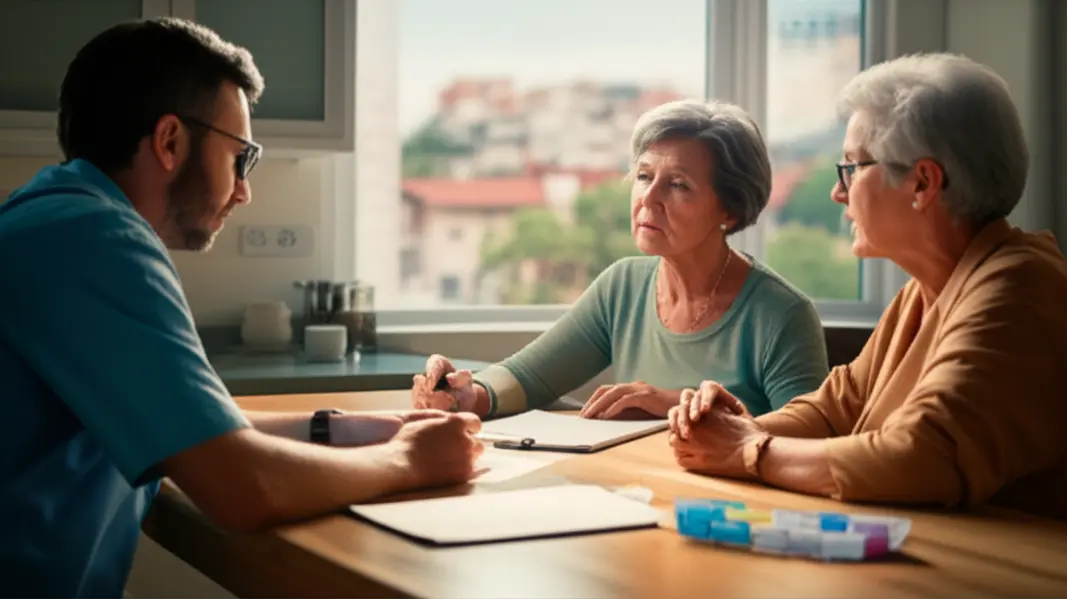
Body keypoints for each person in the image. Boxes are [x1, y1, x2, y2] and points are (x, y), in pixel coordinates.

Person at [0, 18, 481, 597]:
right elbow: (240, 487)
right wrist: (410, 462)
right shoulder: (97, 239)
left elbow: (198, 433)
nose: (244, 189)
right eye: (241, 158)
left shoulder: (51, 219)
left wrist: (353, 430)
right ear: (171, 141)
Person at [668, 53, 1067, 521]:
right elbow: (835, 410)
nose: (840, 192)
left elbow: (921, 457)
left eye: (854, 167)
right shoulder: (928, 289)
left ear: (922, 183)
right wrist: (728, 430)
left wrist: (749, 450)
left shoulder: (1020, 290)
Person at [412, 99, 829, 421]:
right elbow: (530, 377)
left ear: (731, 210)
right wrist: (467, 395)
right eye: (645, 176)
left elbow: (806, 440)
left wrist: (676, 405)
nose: (648, 198)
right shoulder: (624, 286)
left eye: (678, 184)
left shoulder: (783, 314)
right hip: (634, 498)